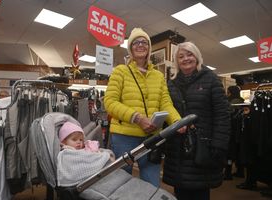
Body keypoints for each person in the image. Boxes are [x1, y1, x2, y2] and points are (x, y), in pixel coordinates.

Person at [104, 27, 183, 187]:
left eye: (144, 42)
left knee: (152, 183)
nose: (140, 45)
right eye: (136, 42)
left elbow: (165, 102)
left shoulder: (159, 76)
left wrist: (177, 121)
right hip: (124, 137)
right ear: (131, 48)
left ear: (149, 48)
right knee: (122, 183)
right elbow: (110, 102)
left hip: (151, 137)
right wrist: (138, 118)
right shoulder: (120, 71)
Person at [163, 41, 230, 200]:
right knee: (180, 191)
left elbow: (222, 115)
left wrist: (218, 145)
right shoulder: (171, 84)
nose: (186, 59)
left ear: (197, 56)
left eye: (189, 54)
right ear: (176, 61)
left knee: (200, 192)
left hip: (203, 147)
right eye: (181, 56)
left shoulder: (211, 79)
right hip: (177, 149)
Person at [57, 121, 114, 186]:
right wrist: (102, 157)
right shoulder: (67, 152)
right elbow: (82, 159)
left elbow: (88, 156)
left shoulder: (82, 148)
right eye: (74, 139)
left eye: (81, 140)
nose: (78, 142)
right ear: (64, 141)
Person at [224, 85, 245, 180]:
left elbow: (227, 117)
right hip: (241, 130)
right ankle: (240, 171)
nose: (226, 94)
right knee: (239, 151)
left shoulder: (229, 103)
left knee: (229, 153)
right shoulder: (242, 101)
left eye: (228, 92)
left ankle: (228, 173)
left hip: (231, 131)